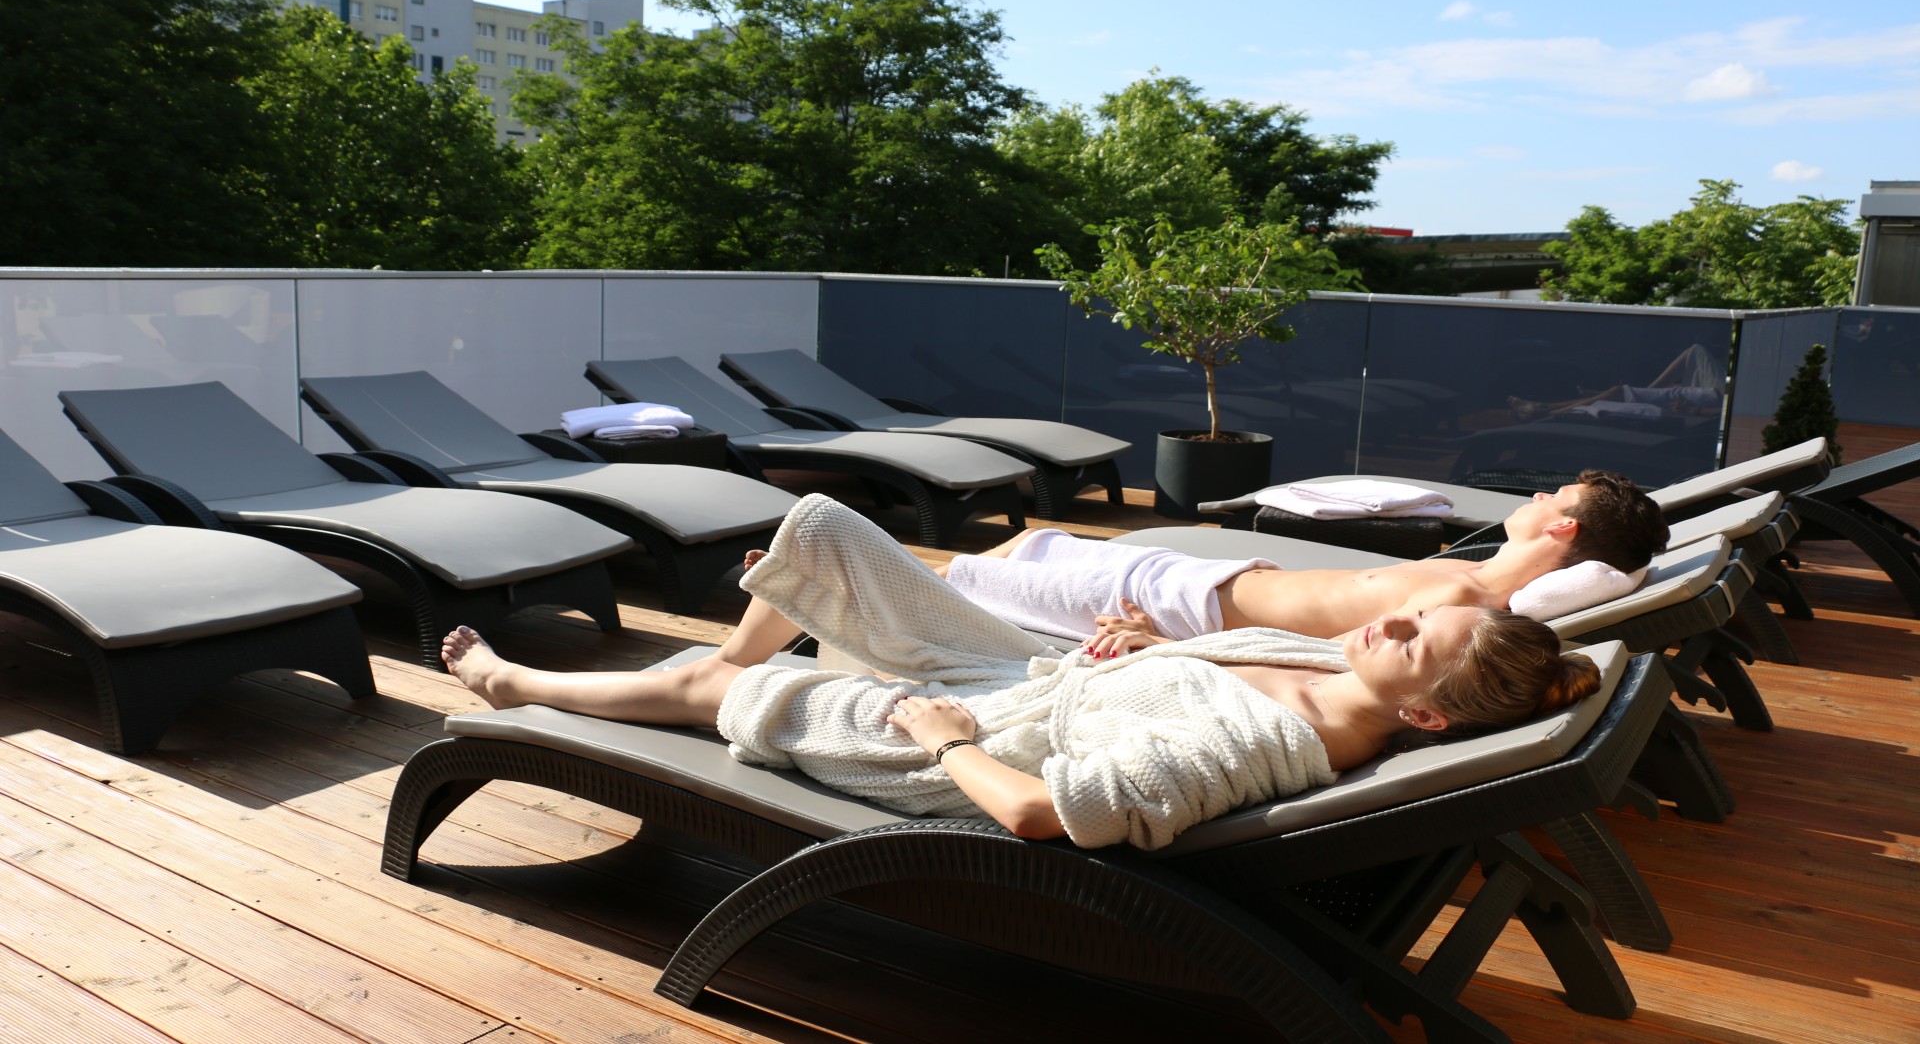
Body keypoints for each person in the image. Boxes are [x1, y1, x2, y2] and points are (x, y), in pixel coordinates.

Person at [442, 493, 1602, 851]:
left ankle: (518, 687)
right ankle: (766, 638)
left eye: (1417, 644)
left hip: (989, 747)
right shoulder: (1335, 670)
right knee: (829, 526)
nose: (1396, 623)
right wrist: (1151, 649)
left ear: (1432, 711)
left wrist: (944, 737)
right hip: (1038, 674)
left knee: (718, 694)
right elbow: (1198, 671)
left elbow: (1054, 817)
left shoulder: (1266, 748)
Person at [939, 469, 1667, 655]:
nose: (1538, 493)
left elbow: (1332, 662)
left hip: (1172, 610)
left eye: (1554, 495)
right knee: (1023, 543)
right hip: (1188, 575)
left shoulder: (1464, 611)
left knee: (945, 583)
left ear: (1564, 528)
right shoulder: (1467, 577)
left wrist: (1164, 650)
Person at [1508, 343, 1723, 422]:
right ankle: (1542, 409)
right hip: (1700, 398)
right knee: (1614, 395)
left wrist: (1694, 411)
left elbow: (1729, 414)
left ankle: (1544, 410)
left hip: (1705, 400)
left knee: (1616, 394)